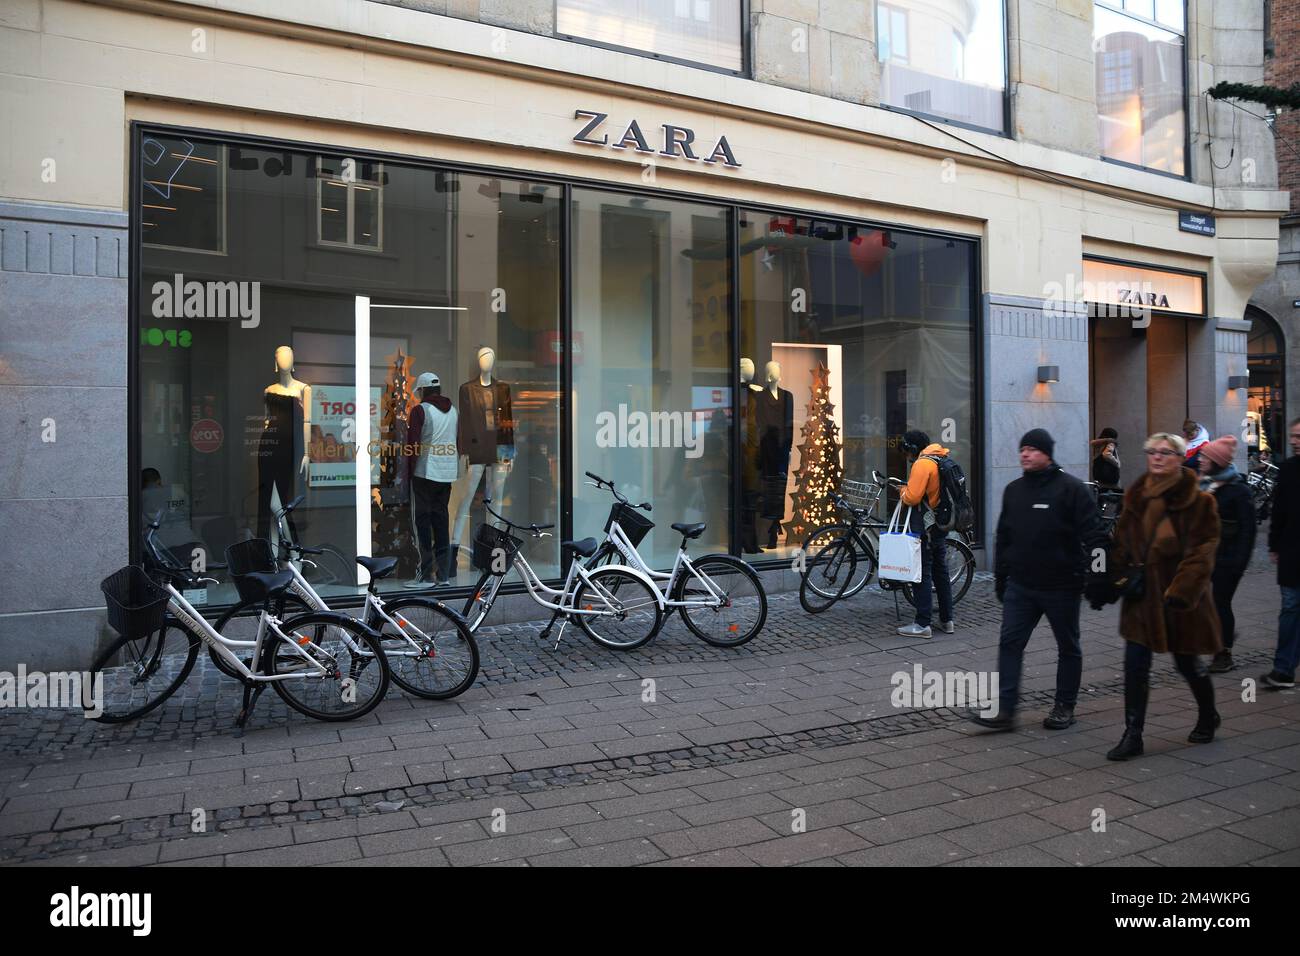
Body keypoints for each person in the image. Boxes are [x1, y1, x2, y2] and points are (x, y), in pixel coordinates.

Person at [972, 428, 1108, 731]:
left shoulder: (1071, 489)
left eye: (1032, 449)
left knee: (1068, 646)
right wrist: (1001, 577)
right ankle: (1006, 711)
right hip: (1021, 586)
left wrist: (1098, 577)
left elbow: (1096, 537)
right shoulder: (1014, 490)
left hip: (1062, 585)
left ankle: (1064, 706)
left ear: (1047, 453)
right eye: (1023, 449)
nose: (1025, 454)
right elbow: (1004, 537)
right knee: (1010, 643)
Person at [1105, 432, 1222, 761]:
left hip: (1179, 598)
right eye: (1152, 452)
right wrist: (1114, 576)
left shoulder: (1200, 501)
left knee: (1188, 663)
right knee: (1135, 665)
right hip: (1142, 599)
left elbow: (1203, 549)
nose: (1157, 457)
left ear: (1180, 458)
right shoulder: (1136, 494)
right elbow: (1122, 542)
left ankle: (1208, 713)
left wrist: (1183, 590)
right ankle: (1133, 733)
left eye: (1165, 453)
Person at [1197, 436, 1255, 673]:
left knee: (1220, 602)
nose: (1201, 460)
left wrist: (1238, 562)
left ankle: (1223, 654)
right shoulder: (1205, 484)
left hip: (1228, 559)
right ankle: (1221, 636)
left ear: (1217, 462)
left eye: (1205, 457)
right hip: (1207, 557)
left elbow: (1248, 530)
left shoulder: (1237, 491)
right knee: (1207, 603)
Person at [402, 372, 458, 589]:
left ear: (423, 390)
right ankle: (443, 575)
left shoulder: (420, 411)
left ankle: (424, 576)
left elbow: (413, 446)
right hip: (446, 475)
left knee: (422, 524)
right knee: (441, 522)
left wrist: (408, 475)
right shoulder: (454, 411)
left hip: (425, 474)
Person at [895, 429, 953, 638]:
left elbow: (912, 497)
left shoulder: (923, 464)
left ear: (912, 448)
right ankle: (947, 620)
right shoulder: (940, 458)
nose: (907, 456)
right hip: (940, 524)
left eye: (907, 451)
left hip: (925, 527)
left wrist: (902, 489)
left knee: (922, 574)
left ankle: (922, 624)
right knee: (941, 572)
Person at [1263, 417, 1300, 689]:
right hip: (1292, 551)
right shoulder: (1288, 469)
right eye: (1293, 436)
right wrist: (1274, 545)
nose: (1294, 441)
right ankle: (1284, 668)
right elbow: (1279, 511)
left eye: (1299, 436)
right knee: (1290, 608)